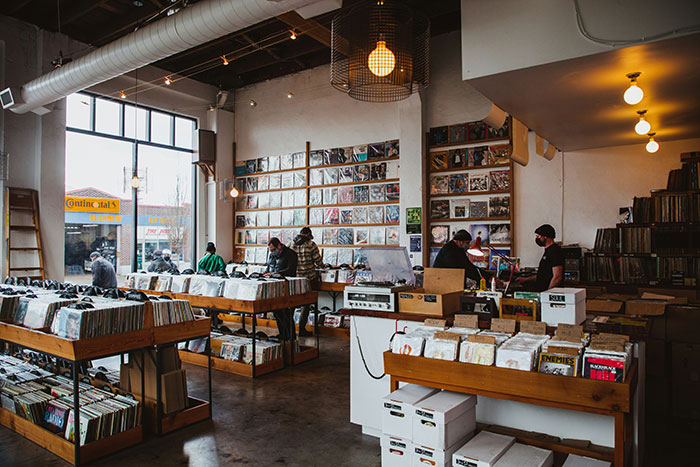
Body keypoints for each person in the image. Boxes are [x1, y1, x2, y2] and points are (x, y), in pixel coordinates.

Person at [291, 227, 323, 337]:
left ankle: (291, 328)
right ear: (308, 234)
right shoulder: (311, 245)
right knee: (307, 304)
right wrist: (322, 266)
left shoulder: (291, 244)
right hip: (309, 278)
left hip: (295, 278)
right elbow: (318, 261)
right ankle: (301, 328)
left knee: (292, 303)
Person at [265, 238, 298, 341]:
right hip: (273, 286)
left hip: (286, 286)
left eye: (274, 249)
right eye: (271, 250)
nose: (272, 252)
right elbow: (269, 266)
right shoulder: (272, 255)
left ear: (279, 245)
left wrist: (276, 274)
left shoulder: (291, 254)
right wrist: (266, 273)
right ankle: (282, 334)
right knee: (277, 312)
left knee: (286, 313)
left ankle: (290, 336)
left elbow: (291, 269)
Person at [531, 224, 564, 291]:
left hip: (548, 295)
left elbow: (557, 277)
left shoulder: (555, 251)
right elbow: (543, 275)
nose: (537, 238)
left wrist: (548, 294)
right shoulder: (548, 251)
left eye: (538, 236)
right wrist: (525, 279)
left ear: (545, 236)